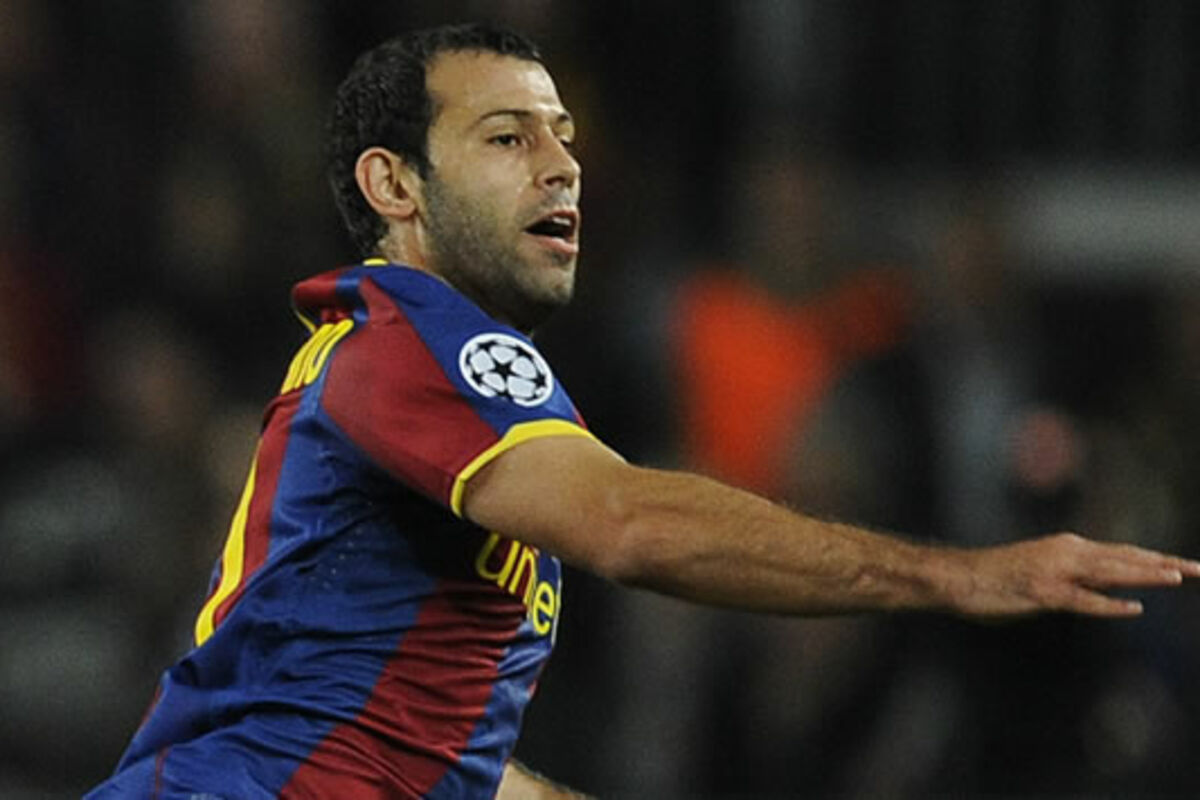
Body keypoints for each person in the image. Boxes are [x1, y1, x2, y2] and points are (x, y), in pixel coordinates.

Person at [86, 22, 1200, 800]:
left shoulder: (430, 383)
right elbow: (632, 525)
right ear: (396, 187)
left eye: (562, 135)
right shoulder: (410, 337)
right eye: (508, 138)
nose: (562, 167)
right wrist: (959, 576)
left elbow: (420, 748)